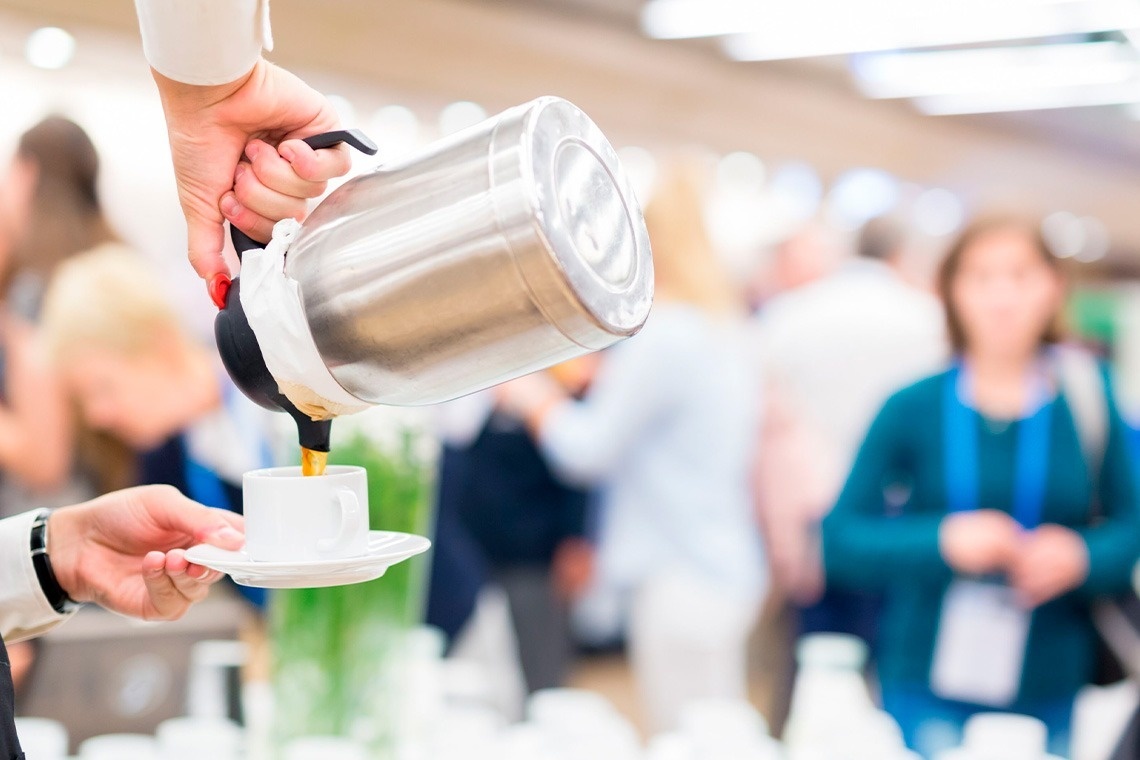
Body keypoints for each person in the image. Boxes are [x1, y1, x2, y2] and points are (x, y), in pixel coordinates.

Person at [821, 216, 1140, 758]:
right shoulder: (911, 405)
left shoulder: (1089, 398)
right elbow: (840, 540)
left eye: (1020, 275)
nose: (1002, 297)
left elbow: (1130, 528)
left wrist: (1080, 556)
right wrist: (941, 543)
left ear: (1053, 288)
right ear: (950, 290)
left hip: (1051, 681)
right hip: (925, 679)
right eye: (980, 277)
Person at [497, 160, 766, 732]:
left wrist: (532, 397)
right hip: (722, 563)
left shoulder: (665, 333)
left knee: (686, 737)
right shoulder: (725, 329)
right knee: (719, 731)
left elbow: (587, 450)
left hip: (679, 575)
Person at [39, 247, 275, 606]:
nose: (97, 417)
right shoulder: (167, 475)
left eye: (102, 388)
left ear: (159, 342)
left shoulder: (280, 398)